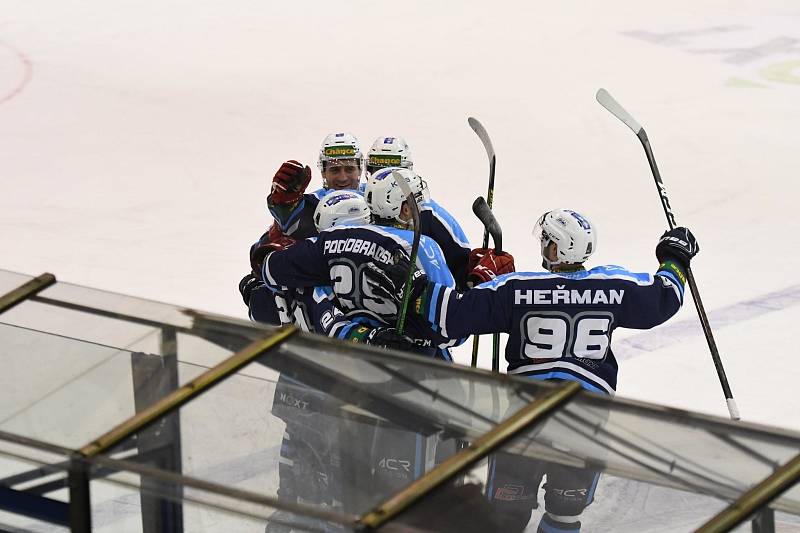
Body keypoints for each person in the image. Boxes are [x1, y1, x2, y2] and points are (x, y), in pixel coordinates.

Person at [363, 208, 699, 532]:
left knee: (507, 515)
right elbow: (664, 298)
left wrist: (418, 285)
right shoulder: (614, 285)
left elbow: (451, 314)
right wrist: (675, 258)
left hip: (525, 420)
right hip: (586, 421)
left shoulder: (516, 288)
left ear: (554, 247)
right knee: (565, 514)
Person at [262, 168, 462, 360]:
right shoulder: (420, 246)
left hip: (330, 372)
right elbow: (452, 331)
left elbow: (271, 275)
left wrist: (365, 336)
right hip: (416, 372)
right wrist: (480, 279)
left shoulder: (315, 261)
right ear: (405, 208)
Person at [366, 139, 472, 288]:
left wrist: (477, 276)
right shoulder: (357, 210)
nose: (388, 179)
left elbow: (463, 265)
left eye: (397, 173)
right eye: (379, 172)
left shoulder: (431, 215)